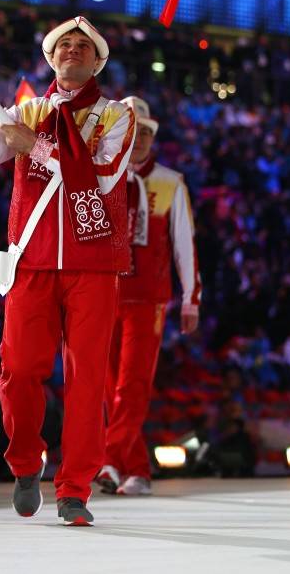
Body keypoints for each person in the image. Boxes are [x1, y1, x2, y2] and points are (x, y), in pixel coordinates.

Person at [0, 16, 135, 526]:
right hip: (31, 260)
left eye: (83, 46)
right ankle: (25, 463)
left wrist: (32, 145)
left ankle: (74, 488)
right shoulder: (25, 110)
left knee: (87, 380)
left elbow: (103, 176)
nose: (73, 50)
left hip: (93, 264)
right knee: (17, 372)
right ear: (51, 59)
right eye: (64, 45)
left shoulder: (116, 115)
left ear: (97, 63)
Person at [97, 95, 201, 497]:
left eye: (145, 132)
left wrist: (191, 297)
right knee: (110, 388)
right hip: (103, 294)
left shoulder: (171, 182)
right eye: (131, 130)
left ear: (153, 137)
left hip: (148, 299)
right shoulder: (100, 176)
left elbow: (184, 243)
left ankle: (108, 459)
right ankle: (137, 470)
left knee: (133, 384)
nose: (138, 138)